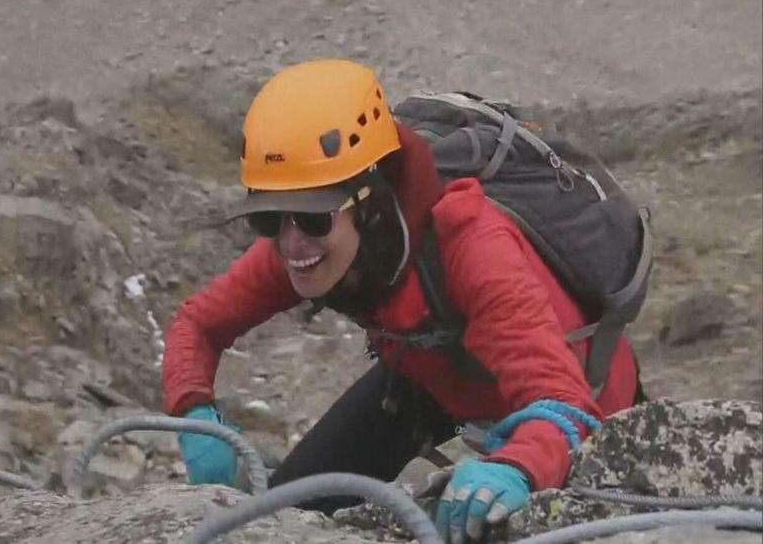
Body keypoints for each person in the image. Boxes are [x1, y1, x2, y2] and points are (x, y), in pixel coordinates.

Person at [162, 59, 643, 543]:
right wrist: (194, 412)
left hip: (583, 394)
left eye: (312, 218)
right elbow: (198, 325)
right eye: (268, 220)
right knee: (282, 515)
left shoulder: (473, 245)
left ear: (368, 204)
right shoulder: (311, 240)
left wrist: (518, 466)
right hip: (431, 373)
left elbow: (563, 406)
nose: (289, 244)